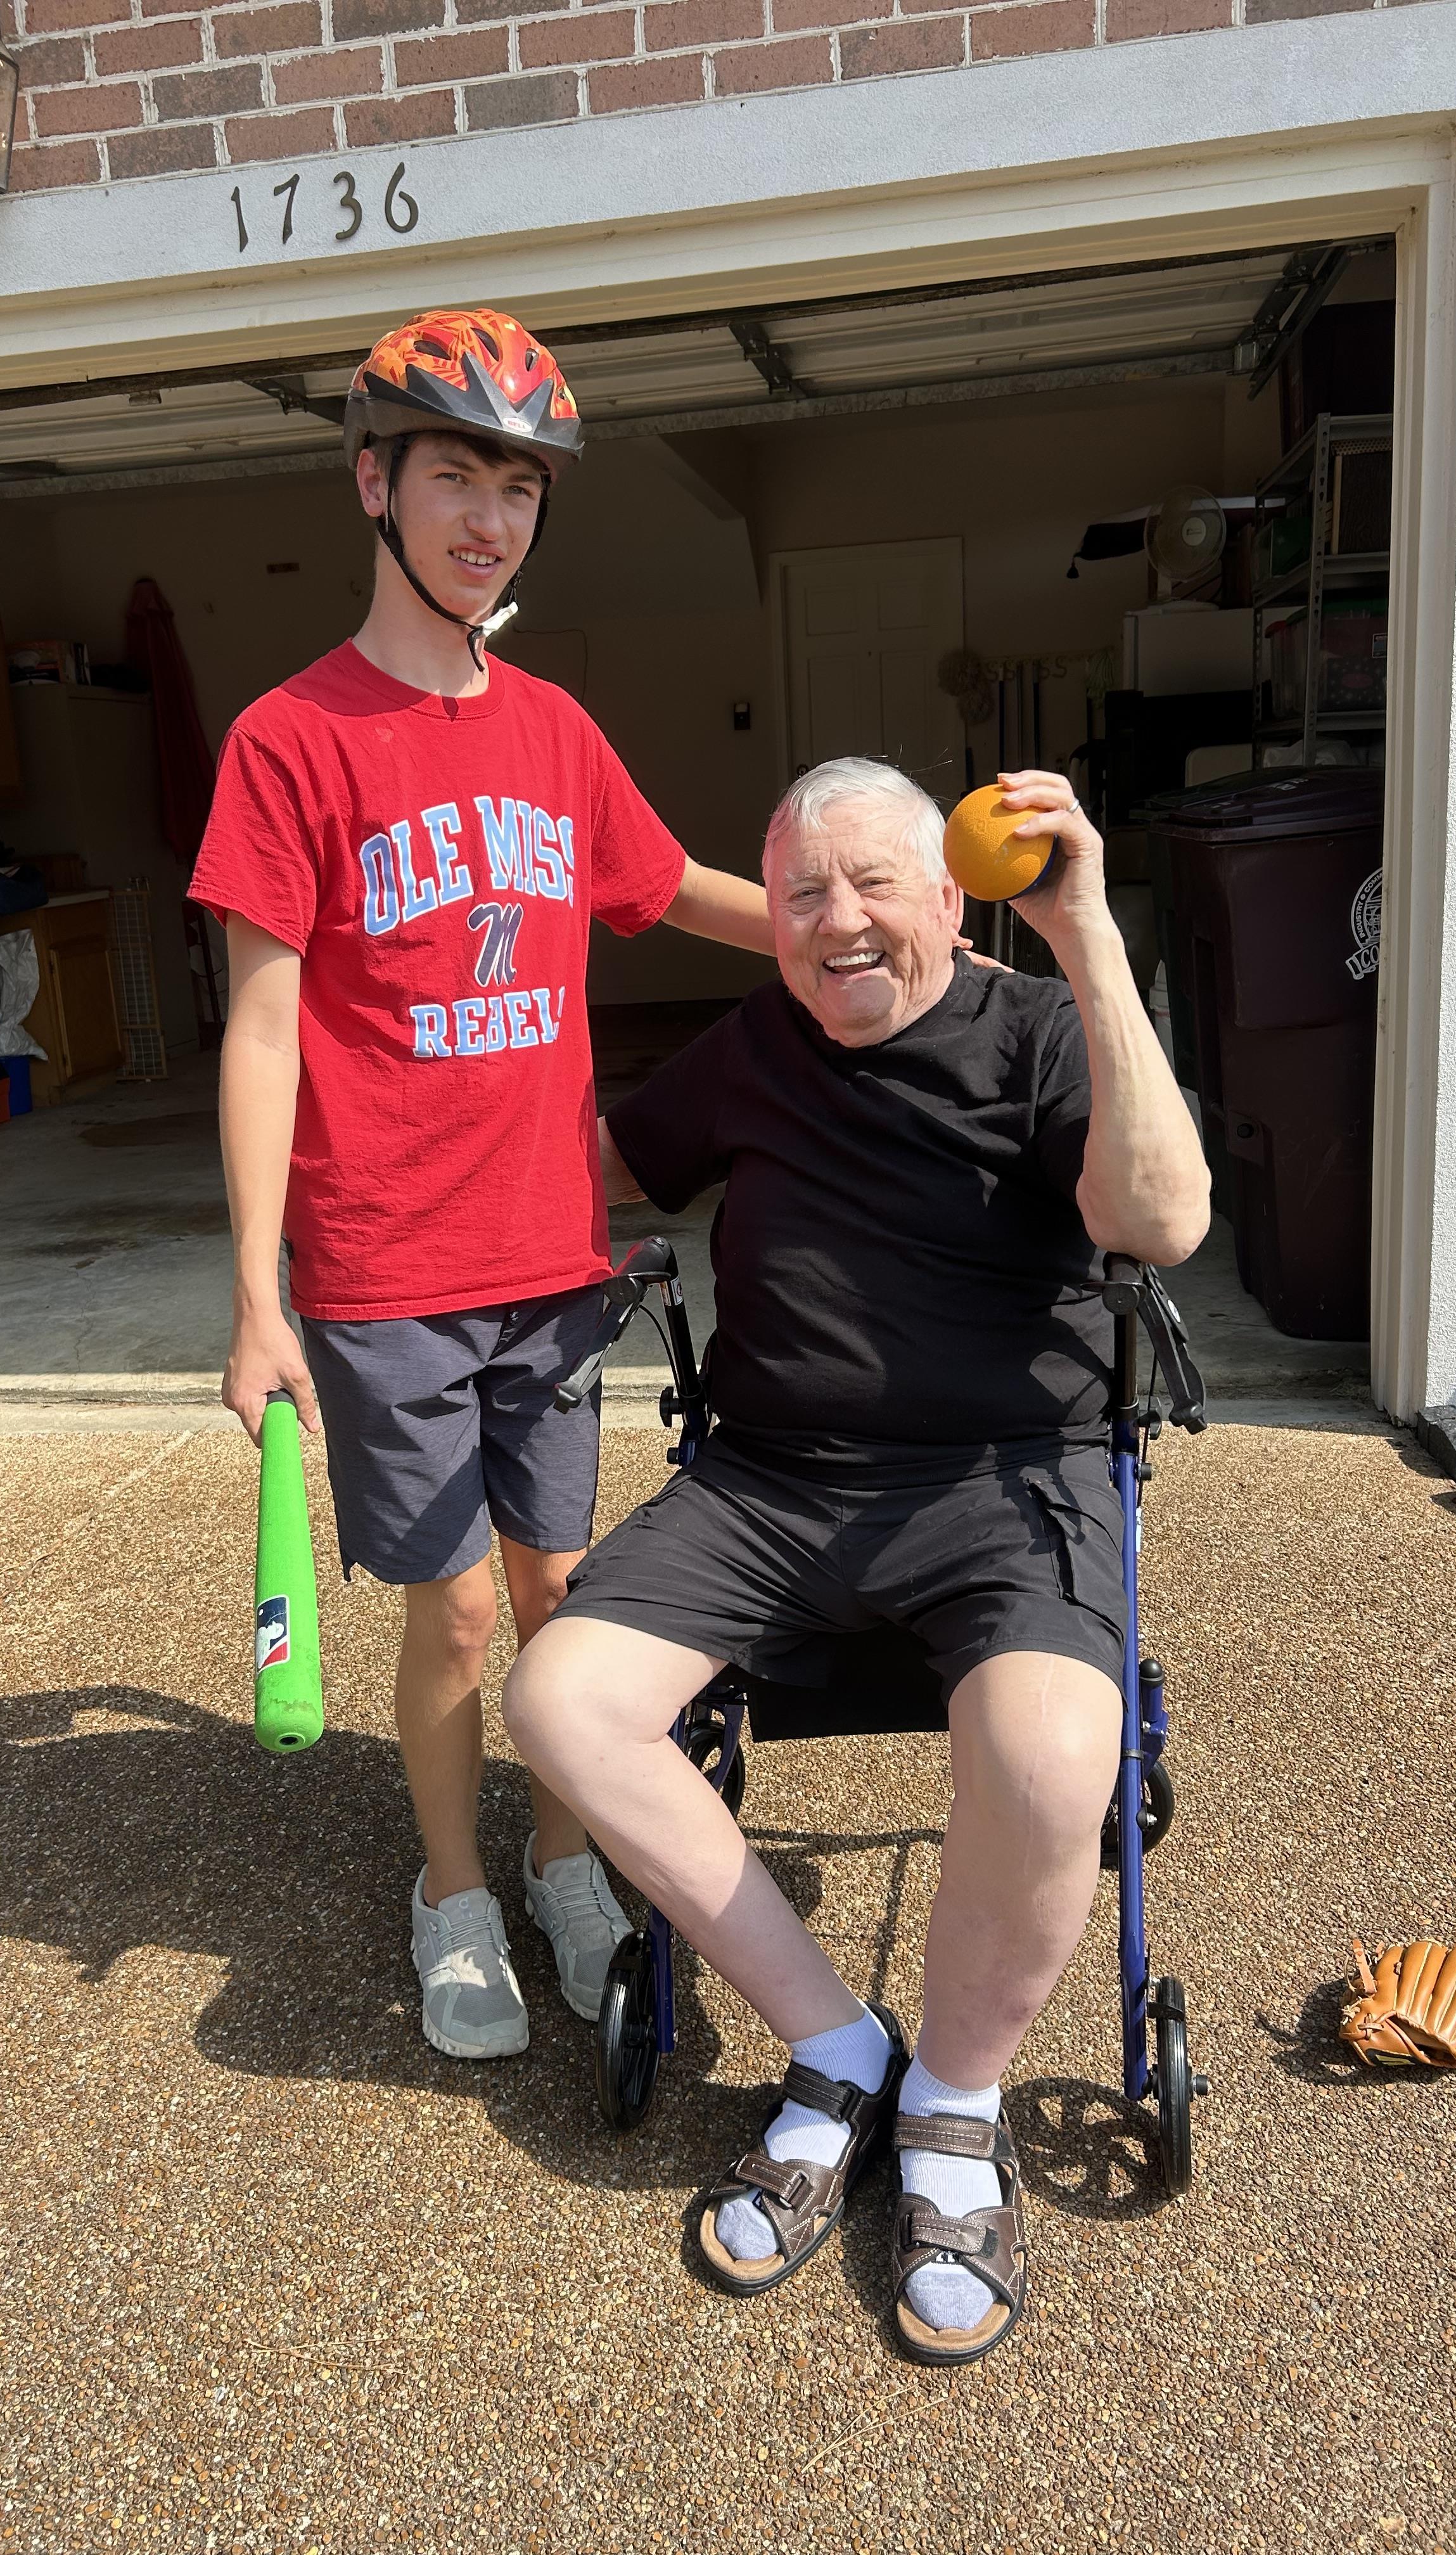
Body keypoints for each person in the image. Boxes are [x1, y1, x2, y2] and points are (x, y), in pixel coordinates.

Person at [502, 755, 1210, 2365]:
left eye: (875, 883)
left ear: (953, 899)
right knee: (561, 1700)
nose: (838, 922)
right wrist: (390, 1126)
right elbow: (598, 1166)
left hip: (998, 1477)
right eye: (804, 892)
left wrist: (1087, 932)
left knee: (1047, 1754)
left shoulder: (1037, 1032)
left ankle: (956, 2107)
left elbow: (1160, 1226)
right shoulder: (752, 1045)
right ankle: (836, 2047)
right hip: (763, 1483)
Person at [189, 309, 777, 2065]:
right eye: (456, 473)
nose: (488, 518)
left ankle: (565, 1847)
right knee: (450, 1607)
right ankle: (452, 1885)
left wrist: (856, 918)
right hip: (382, 1268)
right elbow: (262, 1034)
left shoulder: (554, 732)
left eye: (517, 486)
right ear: (376, 483)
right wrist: (254, 1298)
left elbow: (667, 884)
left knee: (565, 1597)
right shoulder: (291, 743)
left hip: (550, 1255)